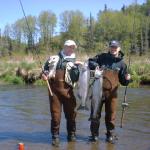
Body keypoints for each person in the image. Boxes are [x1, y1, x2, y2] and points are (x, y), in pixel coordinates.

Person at [88, 40, 131, 143]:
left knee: (111, 115)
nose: (113, 49)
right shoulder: (102, 57)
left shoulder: (122, 64)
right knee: (95, 114)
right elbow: (90, 62)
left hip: (112, 94)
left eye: (115, 47)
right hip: (98, 91)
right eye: (112, 47)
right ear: (109, 48)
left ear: (119, 48)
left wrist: (127, 79)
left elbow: (123, 82)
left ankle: (110, 135)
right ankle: (94, 135)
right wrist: (95, 66)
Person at [42, 40, 80, 147]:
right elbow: (44, 70)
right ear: (64, 47)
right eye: (68, 47)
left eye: (72, 47)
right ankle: (55, 137)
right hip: (54, 93)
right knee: (55, 116)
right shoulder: (53, 58)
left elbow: (78, 77)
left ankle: (71, 134)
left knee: (72, 114)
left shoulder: (76, 61)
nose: (70, 49)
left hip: (69, 92)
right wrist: (44, 75)